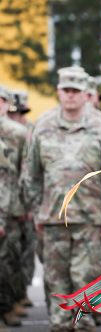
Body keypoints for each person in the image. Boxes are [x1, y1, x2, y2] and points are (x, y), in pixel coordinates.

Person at [22, 66, 101, 332]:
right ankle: (60, 325)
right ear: (59, 92)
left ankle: (84, 325)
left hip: (91, 218)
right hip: (53, 218)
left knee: (87, 278)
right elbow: (31, 174)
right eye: (66, 90)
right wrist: (36, 211)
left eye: (76, 91)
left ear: (85, 94)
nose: (70, 96)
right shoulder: (43, 125)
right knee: (55, 279)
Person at [0, 85, 28, 328]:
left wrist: (24, 204)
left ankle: (7, 306)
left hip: (11, 207)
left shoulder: (17, 133)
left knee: (9, 260)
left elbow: (24, 171)